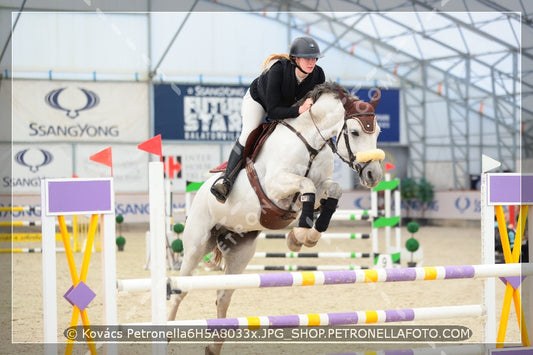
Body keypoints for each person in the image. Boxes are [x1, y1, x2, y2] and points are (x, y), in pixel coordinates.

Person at [210, 36, 326, 203]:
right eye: (308, 58)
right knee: (248, 132)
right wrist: (299, 109)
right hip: (260, 102)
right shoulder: (278, 70)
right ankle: (226, 181)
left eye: (315, 58)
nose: (312, 62)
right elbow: (272, 111)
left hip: (289, 107)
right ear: (295, 59)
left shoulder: (318, 75)